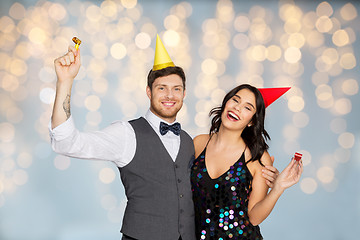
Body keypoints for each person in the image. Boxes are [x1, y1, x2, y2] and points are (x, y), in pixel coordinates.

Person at [50, 35, 196, 240]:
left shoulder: (189, 141)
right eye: (161, 88)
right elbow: (67, 143)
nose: (170, 95)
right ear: (148, 91)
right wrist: (65, 82)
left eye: (176, 89)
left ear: (184, 93)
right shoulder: (126, 134)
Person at [190, 84, 303, 239]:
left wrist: (278, 188)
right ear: (225, 103)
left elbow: (255, 217)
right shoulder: (199, 143)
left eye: (247, 108)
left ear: (251, 121)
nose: (237, 108)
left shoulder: (258, 157)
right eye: (235, 100)